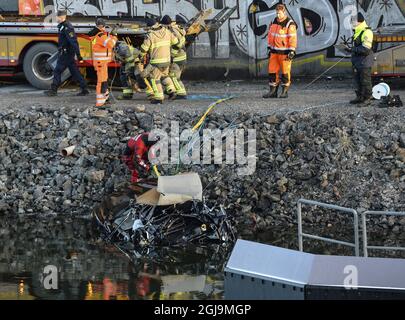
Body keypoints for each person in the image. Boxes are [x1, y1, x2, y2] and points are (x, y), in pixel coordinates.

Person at [44, 10, 89, 97]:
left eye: (57, 17)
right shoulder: (62, 26)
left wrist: (78, 54)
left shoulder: (67, 27)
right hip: (66, 53)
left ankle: (53, 90)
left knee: (57, 70)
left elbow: (74, 41)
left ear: (61, 17)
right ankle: (84, 88)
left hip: (66, 54)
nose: (56, 18)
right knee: (74, 71)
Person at [140, 18, 180, 104]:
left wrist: (140, 56)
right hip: (167, 60)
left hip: (156, 62)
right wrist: (172, 54)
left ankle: (158, 98)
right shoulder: (167, 31)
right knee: (165, 76)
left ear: (150, 27)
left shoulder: (150, 35)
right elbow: (177, 43)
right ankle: (172, 91)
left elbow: (144, 49)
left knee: (155, 79)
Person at [263, 3, 297, 99]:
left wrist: (292, 50)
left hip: (285, 53)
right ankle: (273, 92)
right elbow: (270, 35)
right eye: (277, 13)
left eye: (280, 13)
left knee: (285, 72)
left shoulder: (290, 23)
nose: (278, 15)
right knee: (272, 71)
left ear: (284, 12)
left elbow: (293, 38)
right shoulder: (274, 21)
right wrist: (269, 47)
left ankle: (284, 92)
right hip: (274, 52)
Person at [346, 13, 374, 107]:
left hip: (364, 60)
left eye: (353, 21)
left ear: (359, 21)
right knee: (358, 79)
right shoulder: (358, 31)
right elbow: (358, 46)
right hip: (358, 60)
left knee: (365, 80)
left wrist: (352, 49)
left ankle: (367, 99)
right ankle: (360, 97)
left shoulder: (367, 32)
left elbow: (365, 49)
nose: (352, 23)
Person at [89, 18, 118, 108]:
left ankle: (105, 99)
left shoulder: (98, 34)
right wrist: (114, 36)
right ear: (101, 26)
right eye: (104, 26)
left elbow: (105, 42)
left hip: (101, 62)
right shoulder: (100, 35)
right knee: (102, 82)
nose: (105, 28)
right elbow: (110, 44)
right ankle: (100, 102)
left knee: (104, 81)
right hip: (101, 63)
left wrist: (110, 35)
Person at [162, 15, 188, 100]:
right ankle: (172, 90)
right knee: (175, 76)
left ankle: (181, 93)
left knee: (174, 77)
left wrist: (171, 56)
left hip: (176, 58)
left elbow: (177, 45)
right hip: (182, 57)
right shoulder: (178, 28)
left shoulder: (172, 31)